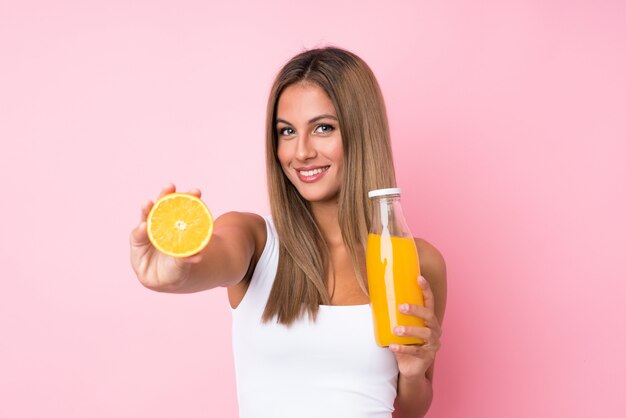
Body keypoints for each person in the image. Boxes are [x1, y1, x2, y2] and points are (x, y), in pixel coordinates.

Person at [129, 46, 447, 418]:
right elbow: (212, 257)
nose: (301, 152)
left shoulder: (416, 260)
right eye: (287, 132)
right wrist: (176, 272)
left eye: (323, 128)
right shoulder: (255, 241)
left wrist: (411, 374)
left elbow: (410, 409)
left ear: (362, 133)